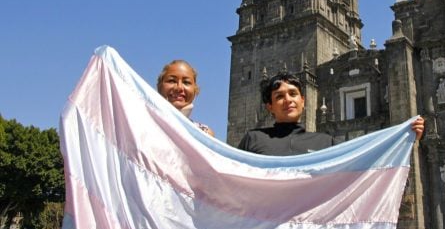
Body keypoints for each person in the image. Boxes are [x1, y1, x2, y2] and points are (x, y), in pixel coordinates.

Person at [238, 72, 424, 155]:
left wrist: (404, 139)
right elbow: (223, 173)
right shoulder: (253, 139)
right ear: (269, 106)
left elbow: (365, 160)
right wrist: (208, 145)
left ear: (304, 101)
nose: (288, 100)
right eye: (279, 96)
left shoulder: (326, 143)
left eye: (293, 94)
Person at [157, 59, 214, 138]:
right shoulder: (141, 123)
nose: (179, 87)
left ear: (195, 90)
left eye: (186, 82)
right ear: (160, 87)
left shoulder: (204, 134)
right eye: (172, 81)